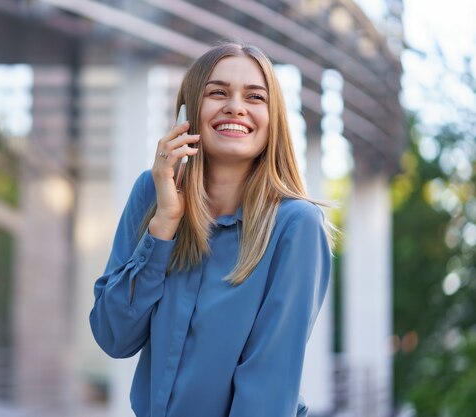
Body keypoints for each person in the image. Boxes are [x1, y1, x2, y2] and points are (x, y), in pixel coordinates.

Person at [89, 41, 333, 417]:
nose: (235, 106)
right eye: (217, 92)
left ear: (274, 119)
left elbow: (266, 390)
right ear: (188, 112)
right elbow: (113, 335)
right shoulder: (152, 192)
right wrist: (163, 228)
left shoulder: (296, 226)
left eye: (255, 97)